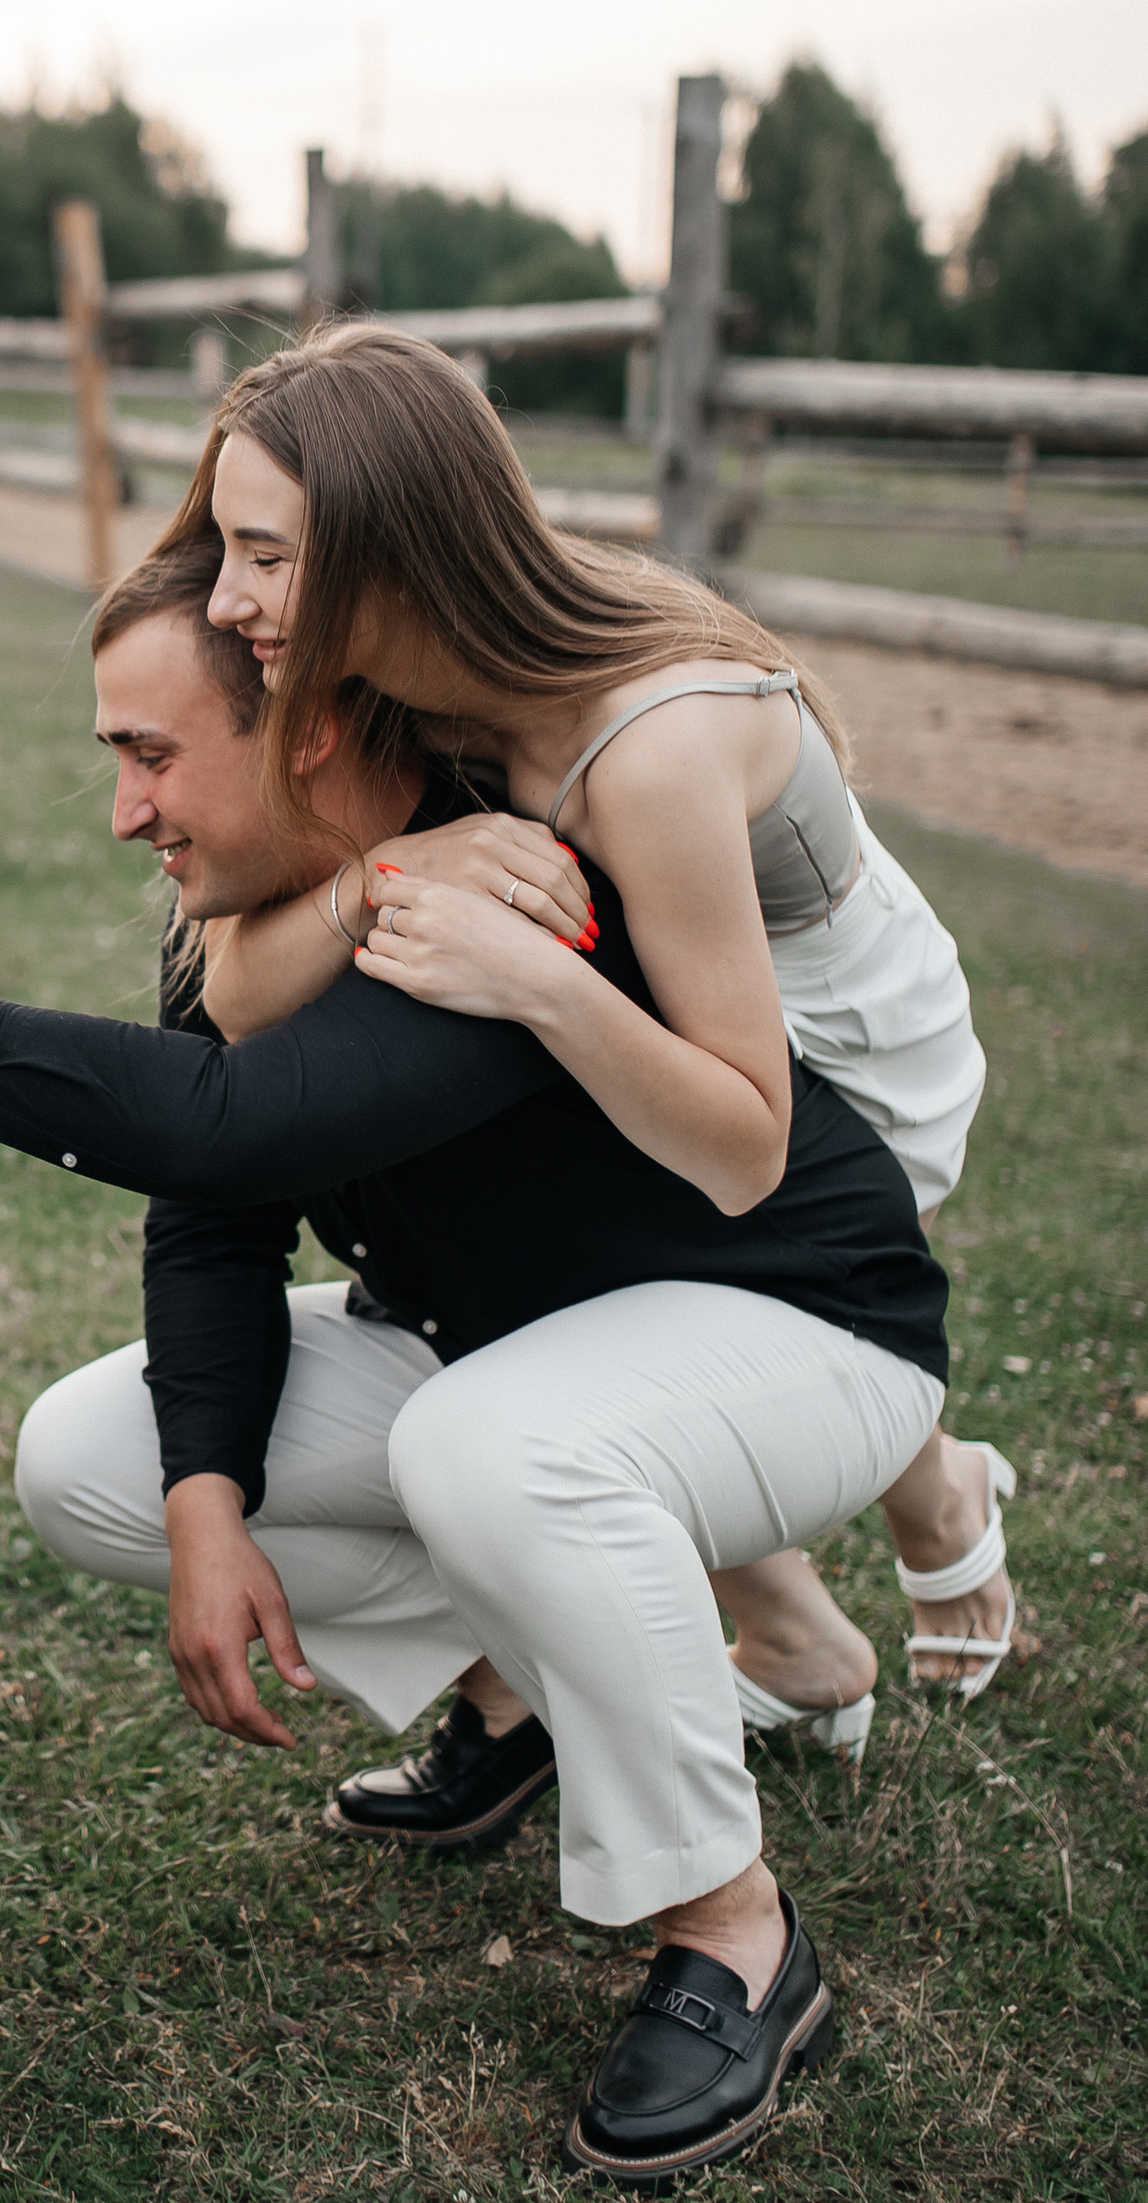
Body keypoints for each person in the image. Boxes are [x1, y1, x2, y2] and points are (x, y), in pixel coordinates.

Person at [0, 542, 952, 2189]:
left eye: (153, 757)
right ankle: (517, 1706)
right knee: (98, 1453)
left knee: (490, 1451)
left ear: (308, 736)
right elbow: (216, 1209)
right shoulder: (257, 915)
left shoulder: (499, 887)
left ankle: (733, 1933)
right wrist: (208, 1507)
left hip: (800, 1330)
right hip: (517, 1350)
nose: (129, 812)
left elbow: (224, 1120)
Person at [183, 328, 1007, 1719]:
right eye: (226, 549)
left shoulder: (644, 746)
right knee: (512, 1193)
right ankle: (813, 1613)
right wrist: (377, 883)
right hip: (677, 1010)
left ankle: (927, 1482)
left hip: (840, 1064)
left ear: (394, 549)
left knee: (557, 1218)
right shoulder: (397, 693)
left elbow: (750, 1150)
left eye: (265, 556)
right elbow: (231, 995)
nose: (222, 600)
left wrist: (541, 985)